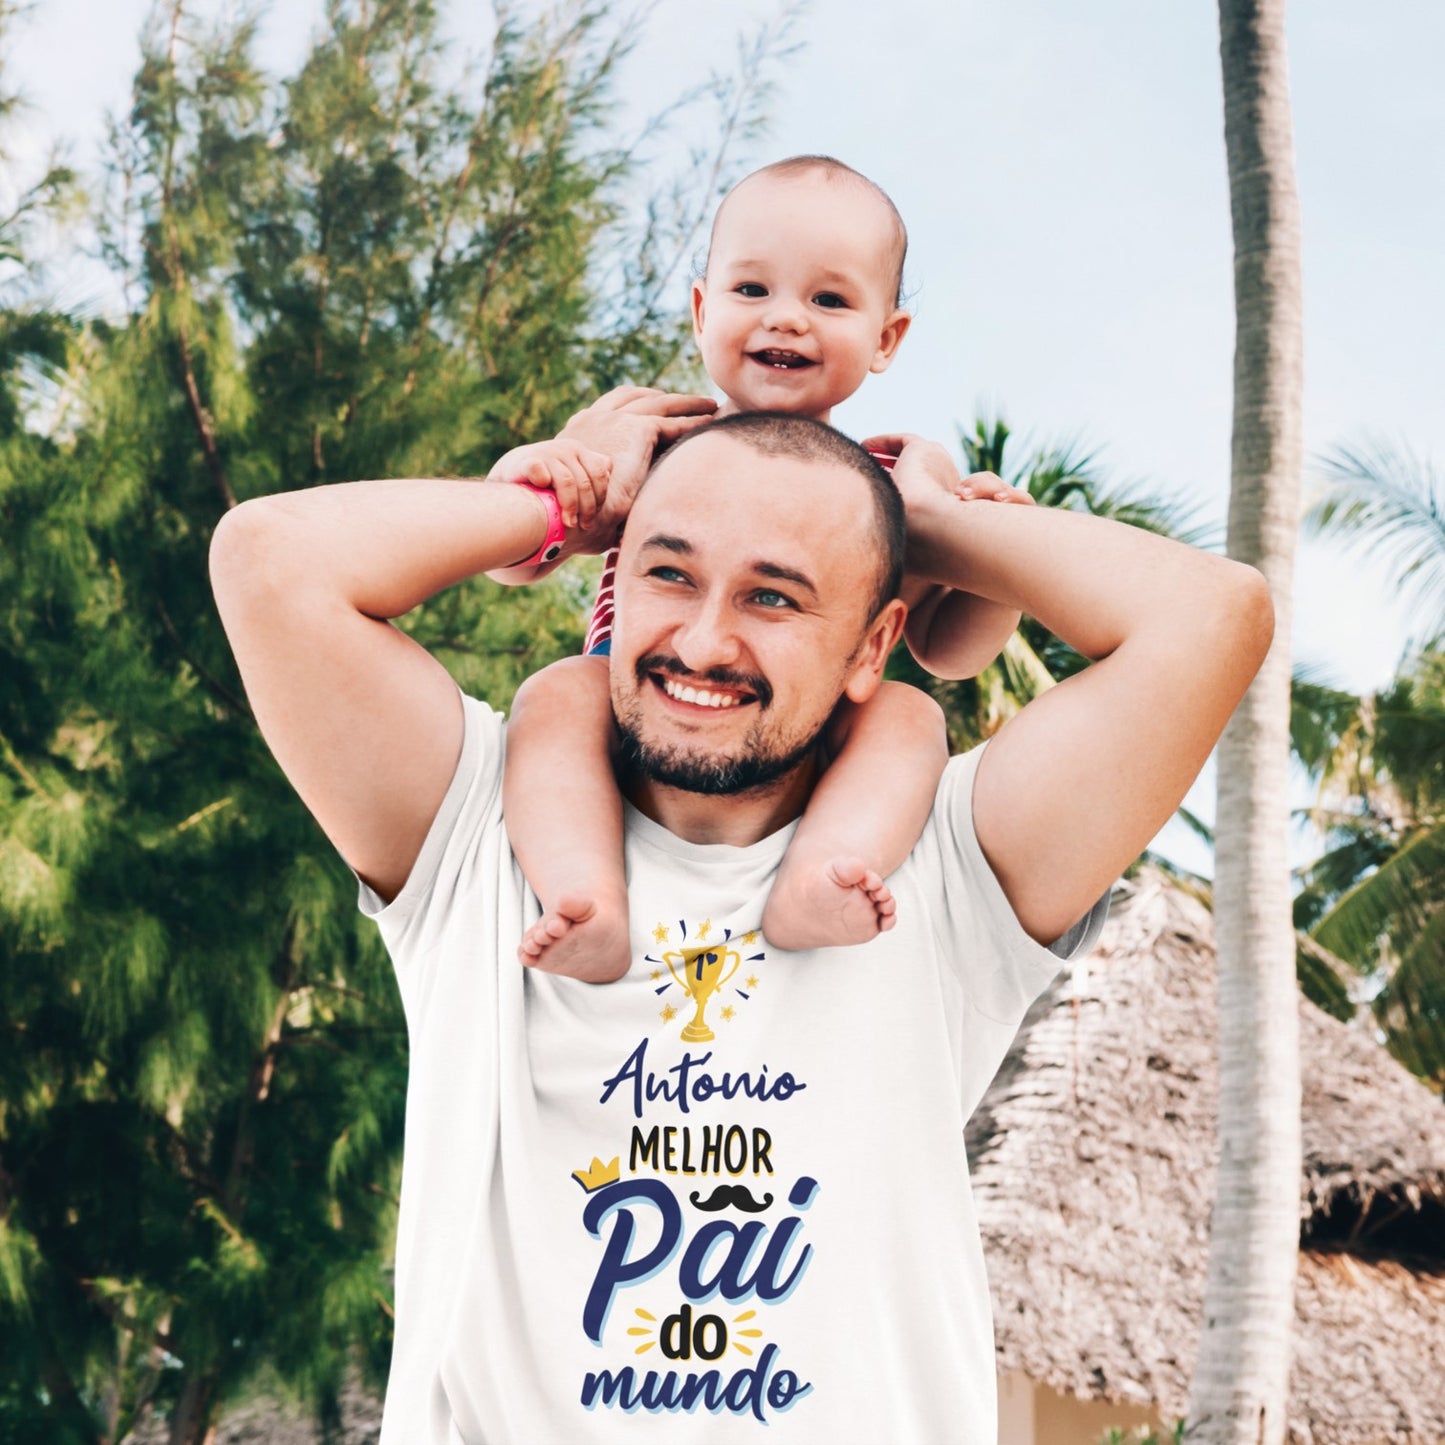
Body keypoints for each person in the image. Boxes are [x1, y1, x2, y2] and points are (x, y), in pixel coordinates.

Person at [209, 397, 1272, 1443]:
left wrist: (916, 519)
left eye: (775, 596)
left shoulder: (946, 861)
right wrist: (562, 502)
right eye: (666, 572)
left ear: (870, 647)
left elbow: (1211, 615)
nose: (702, 639)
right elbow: (270, 558)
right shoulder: (479, 824)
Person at [491, 156, 1035, 983]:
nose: (786, 320)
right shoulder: (651, 442)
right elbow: (515, 563)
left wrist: (993, 558)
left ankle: (825, 873)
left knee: (908, 718)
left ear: (886, 337)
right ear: (702, 309)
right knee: (554, 693)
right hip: (631, 703)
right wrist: (546, 470)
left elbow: (946, 651)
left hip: (794, 736)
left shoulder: (886, 490)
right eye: (752, 291)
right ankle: (582, 892)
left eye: (828, 299)